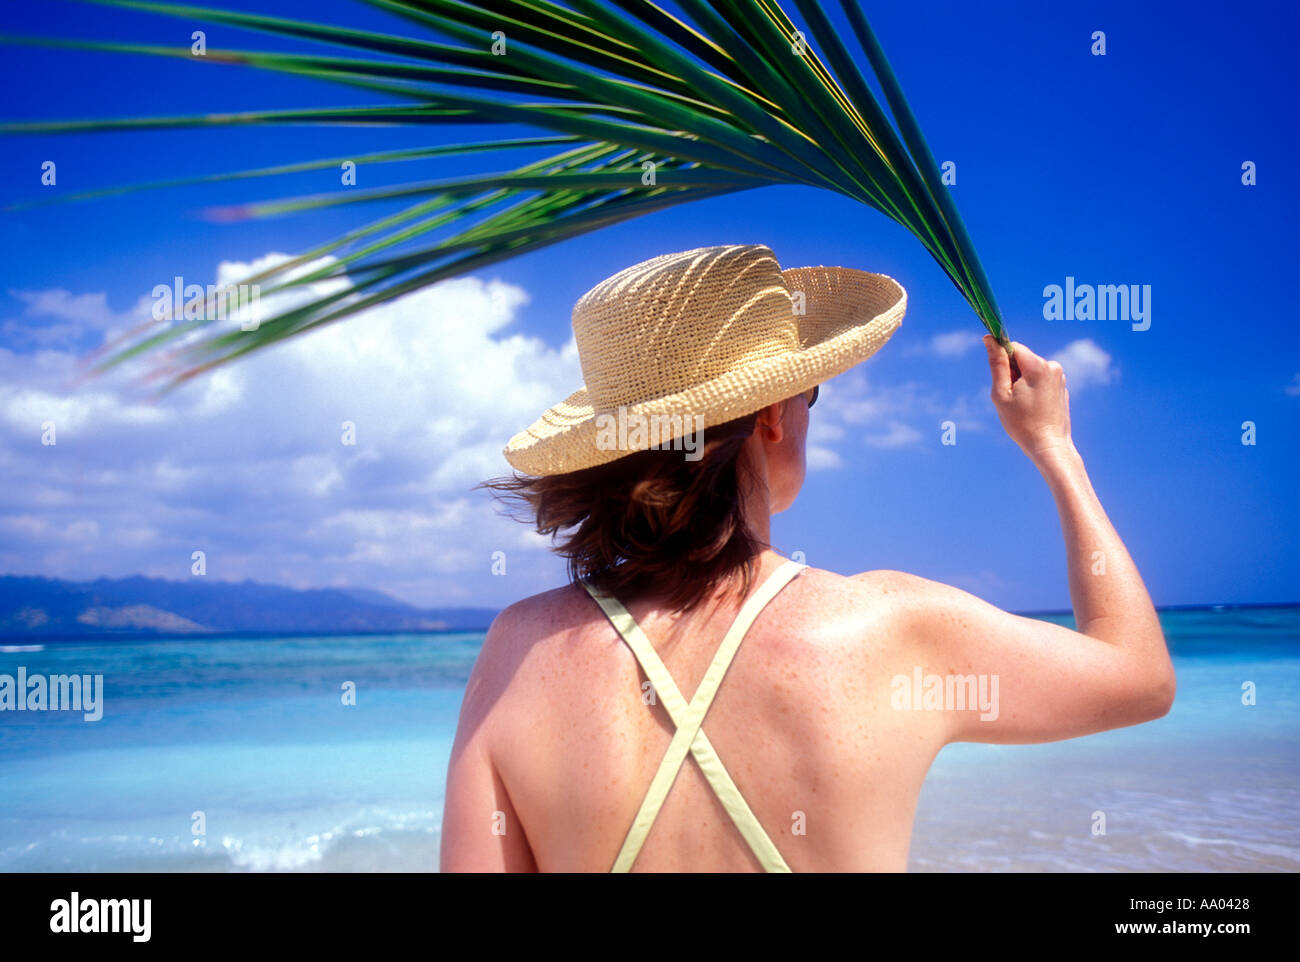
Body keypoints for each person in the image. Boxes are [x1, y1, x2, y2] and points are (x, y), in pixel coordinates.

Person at [439, 244, 1174, 872]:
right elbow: (1139, 676)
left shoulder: (519, 653)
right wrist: (1057, 451)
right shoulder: (890, 631)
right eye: (809, 393)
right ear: (769, 416)